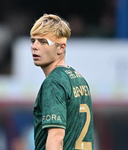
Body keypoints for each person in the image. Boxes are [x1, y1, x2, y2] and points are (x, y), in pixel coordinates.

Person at [30, 14, 94, 150]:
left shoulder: (53, 84)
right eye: (33, 40)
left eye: (43, 42)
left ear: (61, 47)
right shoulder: (79, 79)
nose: (34, 46)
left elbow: (56, 137)